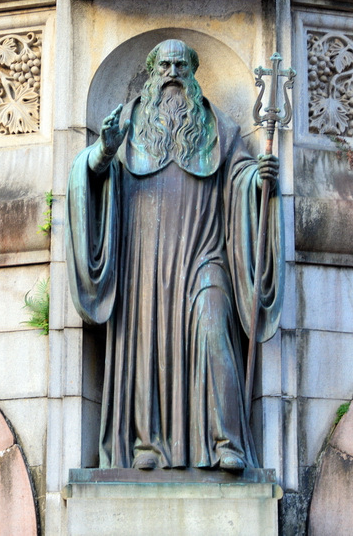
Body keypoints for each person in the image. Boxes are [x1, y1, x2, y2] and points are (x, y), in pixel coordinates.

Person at [66, 39, 284, 472]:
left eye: (181, 64)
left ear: (194, 72)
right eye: (163, 64)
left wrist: (258, 182)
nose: (172, 72)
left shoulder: (219, 127)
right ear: (151, 72)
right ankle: (147, 444)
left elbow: (239, 176)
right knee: (146, 343)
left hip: (207, 256)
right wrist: (104, 151)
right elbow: (84, 174)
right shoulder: (127, 123)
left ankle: (227, 442)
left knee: (213, 326)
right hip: (142, 264)